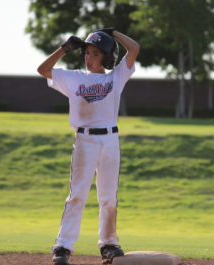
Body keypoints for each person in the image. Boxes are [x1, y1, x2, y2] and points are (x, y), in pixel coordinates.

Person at [37, 28, 139, 265]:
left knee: (108, 197)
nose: (88, 57)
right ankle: (62, 246)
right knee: (77, 195)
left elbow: (134, 48)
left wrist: (113, 32)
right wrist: (64, 48)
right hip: (85, 140)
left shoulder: (115, 76)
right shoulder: (74, 78)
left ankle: (109, 244)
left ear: (106, 57)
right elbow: (42, 70)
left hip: (110, 140)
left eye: (95, 53)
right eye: (87, 53)